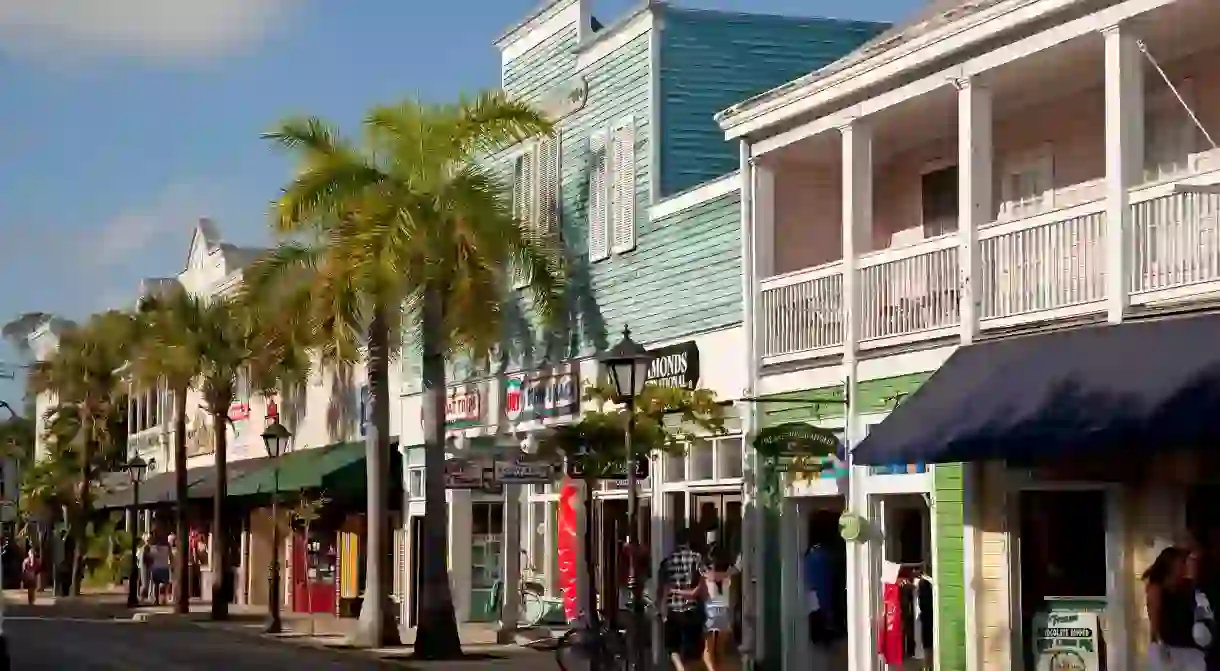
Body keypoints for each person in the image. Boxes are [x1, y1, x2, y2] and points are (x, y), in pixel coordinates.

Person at [1145, 546, 1213, 671]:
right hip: (1172, 648)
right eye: (1181, 563)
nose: (1184, 566)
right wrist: (1157, 647)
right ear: (1171, 566)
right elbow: (1155, 619)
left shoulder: (1187, 586)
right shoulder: (1158, 588)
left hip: (1193, 648)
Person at [659, 527, 706, 671]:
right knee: (693, 647)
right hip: (691, 609)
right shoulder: (696, 558)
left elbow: (664, 588)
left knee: (672, 646)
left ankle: (680, 668)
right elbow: (705, 581)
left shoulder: (667, 561)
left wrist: (662, 609)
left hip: (673, 610)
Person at [701, 534, 737, 671]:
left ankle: (713, 670)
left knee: (708, 647)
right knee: (720, 648)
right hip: (725, 612)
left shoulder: (705, 574)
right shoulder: (730, 573)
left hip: (709, 611)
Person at [150, 537, 171, 606]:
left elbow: (150, 558)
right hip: (164, 567)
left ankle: (157, 600)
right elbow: (170, 557)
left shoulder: (152, 548)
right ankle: (164, 599)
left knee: (156, 585)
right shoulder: (166, 548)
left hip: (156, 568)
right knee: (165, 584)